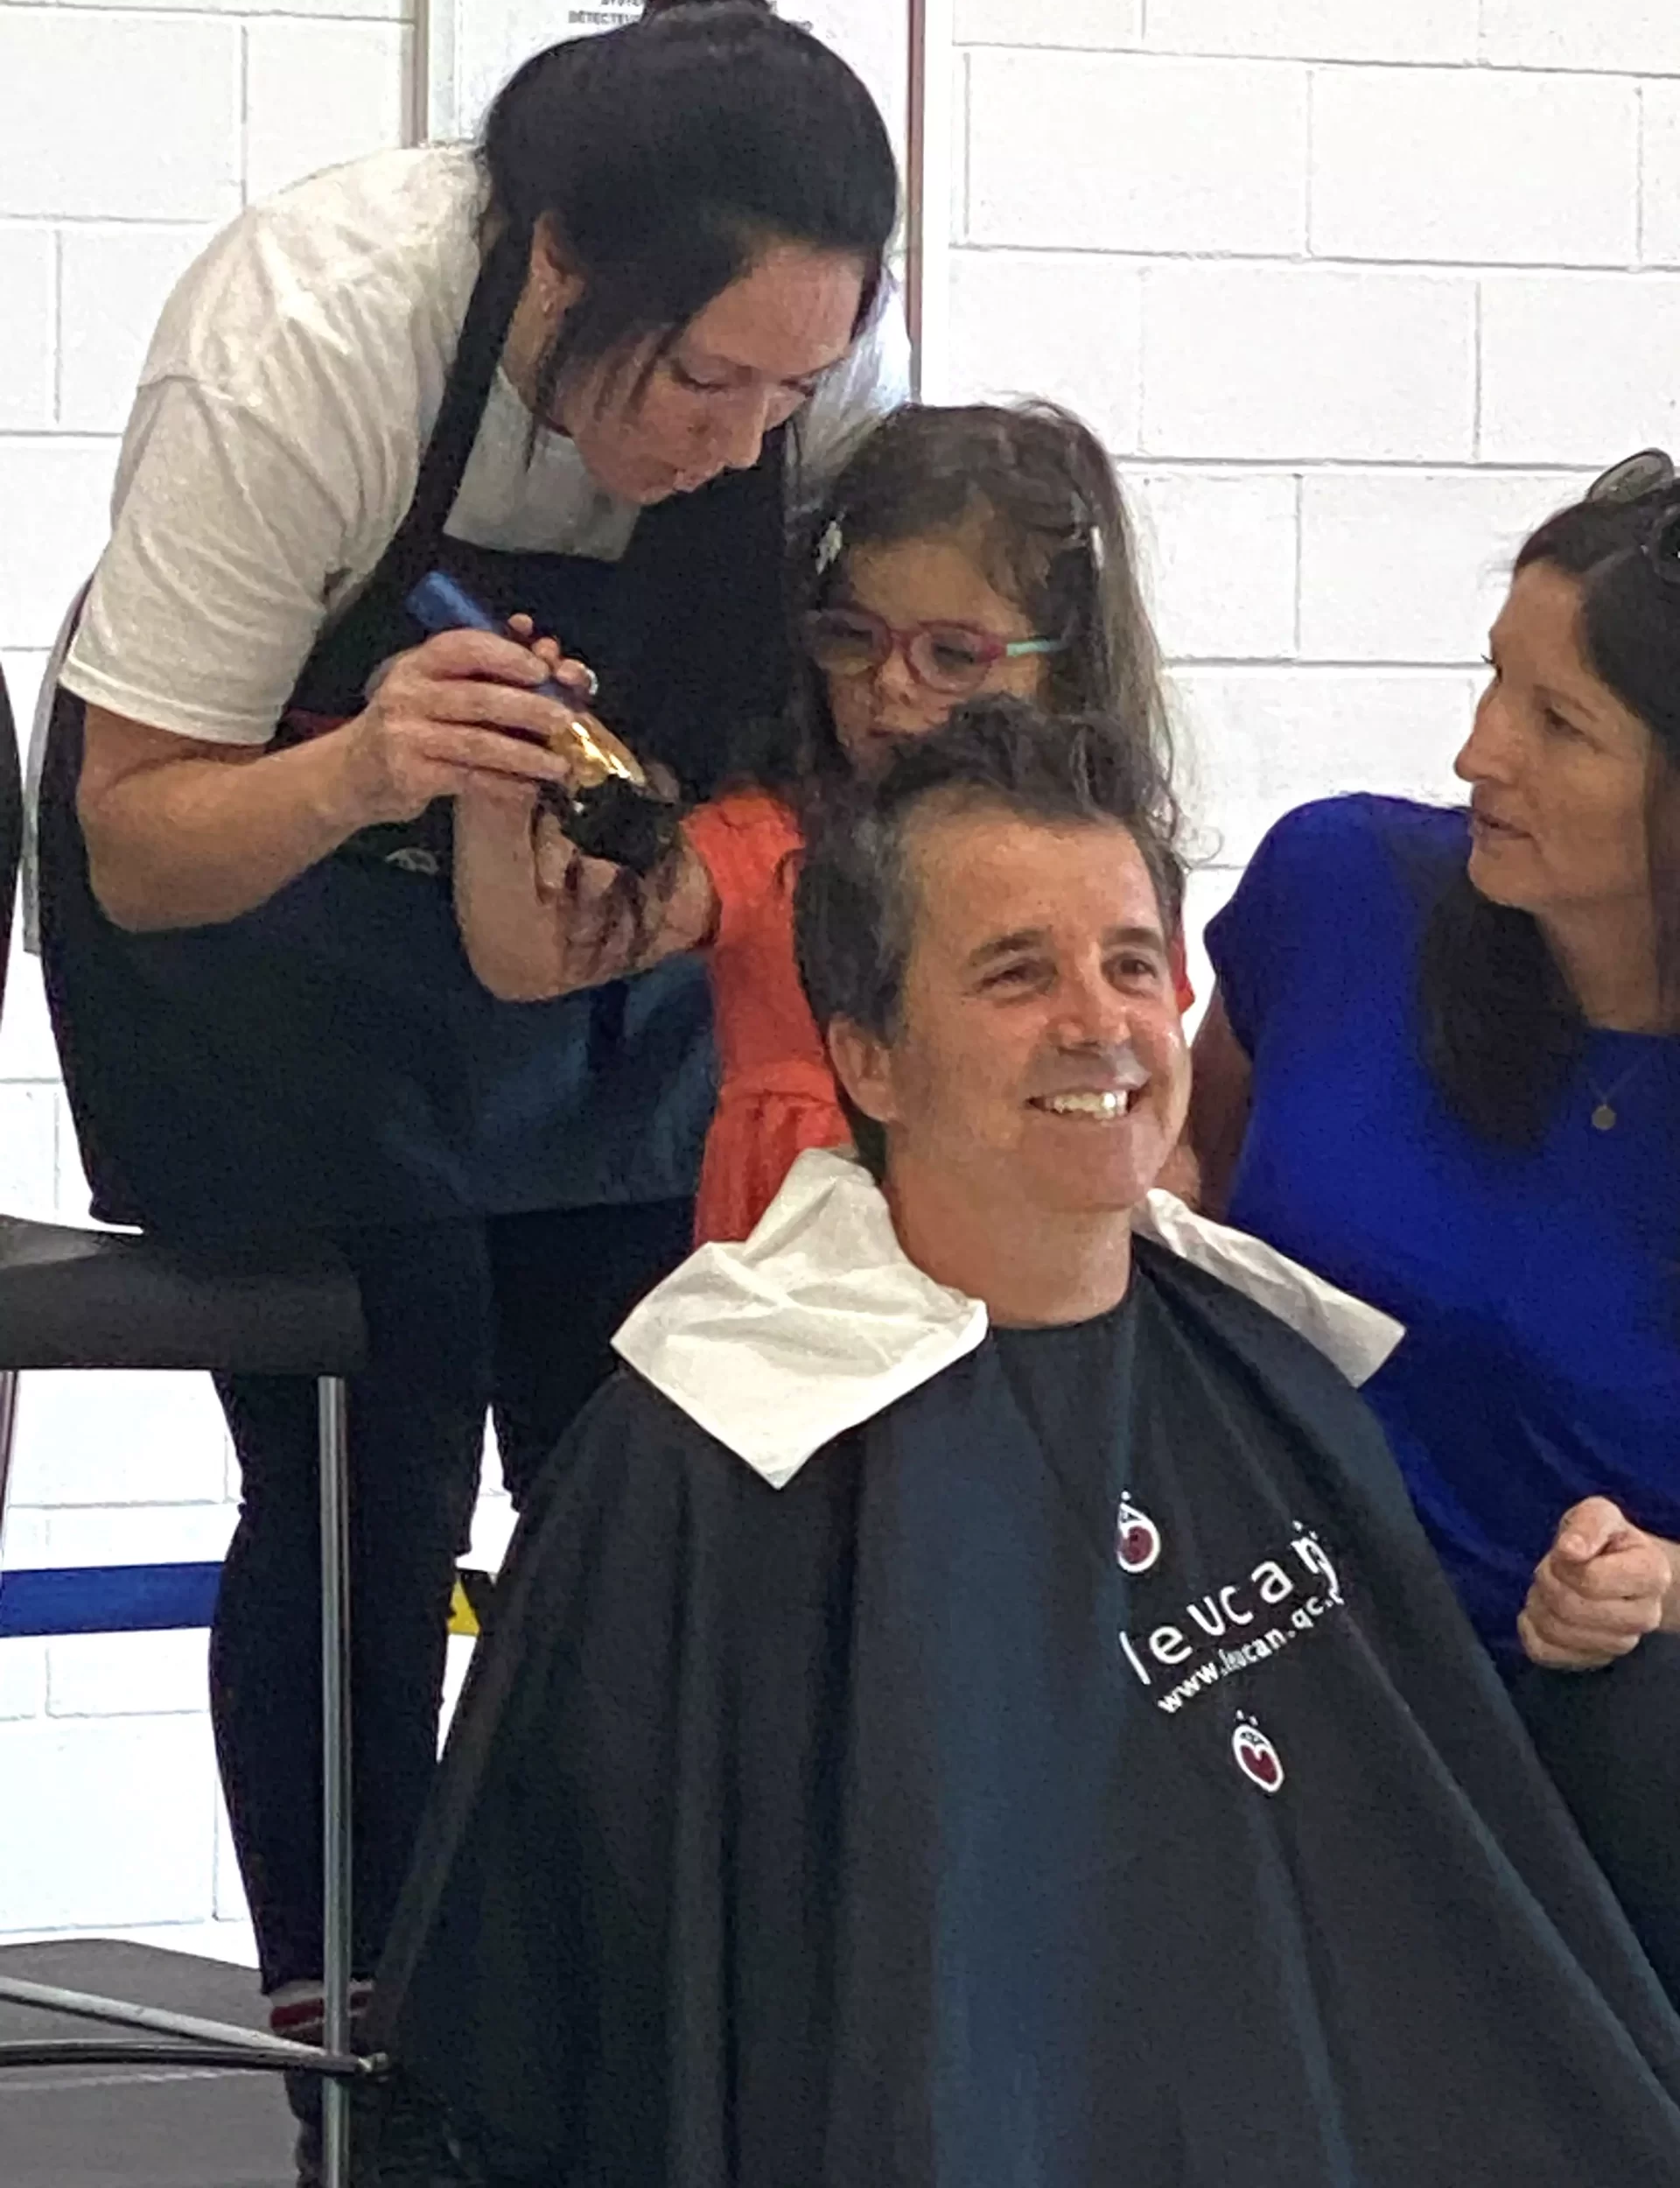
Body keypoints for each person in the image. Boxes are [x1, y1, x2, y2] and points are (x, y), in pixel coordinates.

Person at [374, 702, 1680, 2187]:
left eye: (1130, 964)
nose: (1099, 1022)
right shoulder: (725, 1442)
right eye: (1016, 973)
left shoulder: (1267, 1370)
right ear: (869, 1059)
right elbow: (555, 2026)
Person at [30, 0, 904, 2142]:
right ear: (565, 261)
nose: (743, 441)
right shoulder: (315, 332)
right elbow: (139, 837)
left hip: (589, 921)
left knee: (639, 1454)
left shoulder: (795, 381)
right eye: (703, 379)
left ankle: (603, 1994)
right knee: (375, 1441)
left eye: (793, 390)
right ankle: (361, 2037)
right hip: (265, 914)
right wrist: (360, 769)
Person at [1188, 449, 1680, 1999]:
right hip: (1245, 1640)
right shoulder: (1345, 886)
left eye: (1560, 725)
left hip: (1564, 1737)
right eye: (1493, 682)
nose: (1478, 752)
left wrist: (1667, 1583)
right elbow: (1187, 1168)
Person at [454, 400, 1186, 1244]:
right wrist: (494, 781)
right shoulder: (776, 847)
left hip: (1025, 1281)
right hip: (806, 1302)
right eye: (853, 637)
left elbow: (1161, 1115)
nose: (891, 683)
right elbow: (533, 957)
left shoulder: (1108, 868)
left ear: (1064, 666)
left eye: (951, 655)